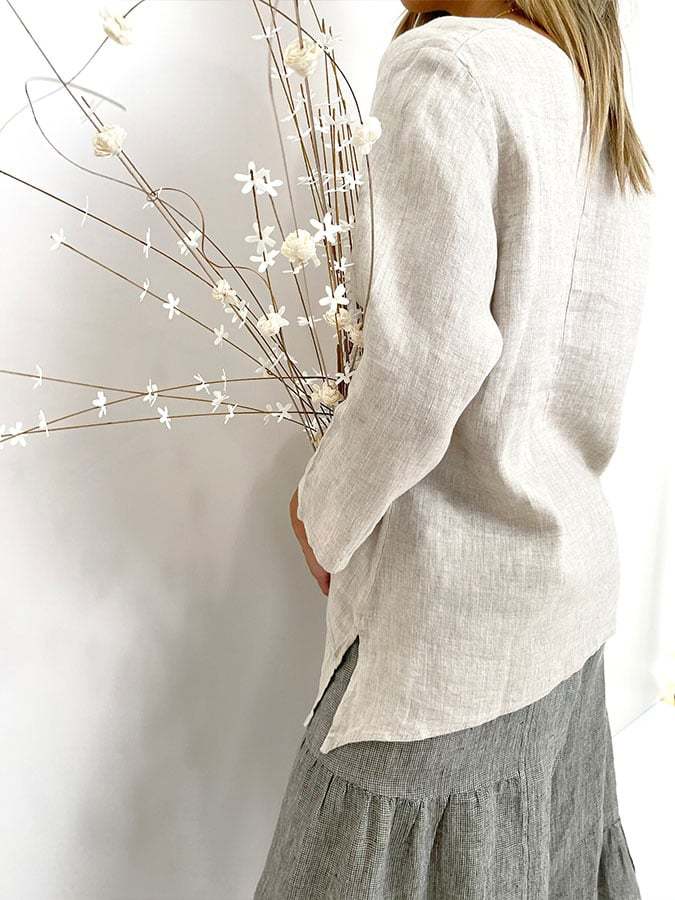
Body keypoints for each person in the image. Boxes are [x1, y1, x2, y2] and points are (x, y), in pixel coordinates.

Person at [256, 1, 652, 897]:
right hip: (562, 596)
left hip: (446, 626)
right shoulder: (590, 93)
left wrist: (324, 513)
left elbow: (426, 360)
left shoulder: (447, 70)